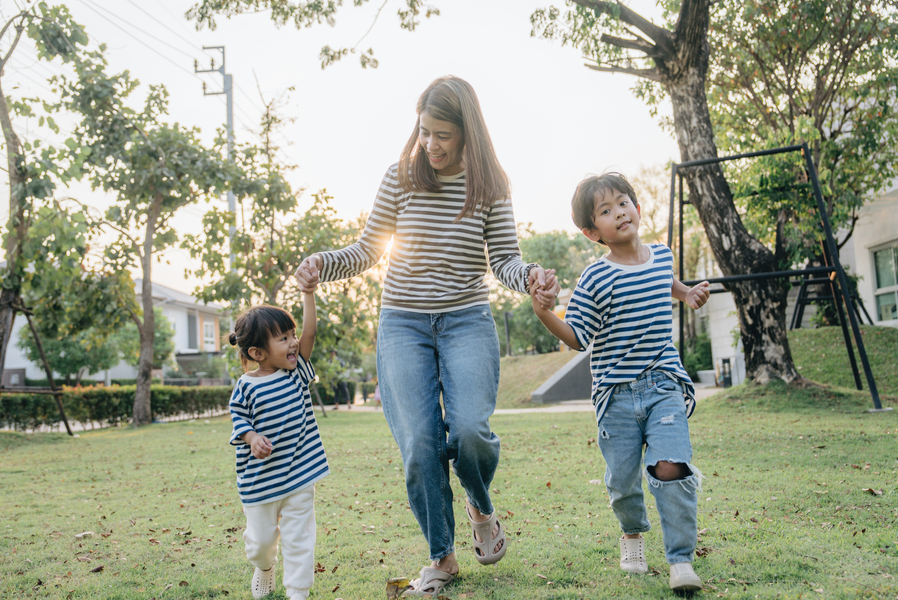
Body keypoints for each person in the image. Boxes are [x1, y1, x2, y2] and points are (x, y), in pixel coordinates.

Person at [294, 75, 557, 597]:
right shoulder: (400, 177)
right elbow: (370, 250)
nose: (430, 145)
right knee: (420, 442)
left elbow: (502, 259)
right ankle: (442, 556)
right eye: (424, 132)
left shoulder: (489, 184)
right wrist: (324, 263)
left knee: (469, 431)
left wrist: (527, 277)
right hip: (403, 322)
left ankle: (480, 505)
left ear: (467, 133)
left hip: (465, 320)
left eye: (442, 134)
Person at [530, 173, 710, 592]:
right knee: (623, 482)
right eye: (605, 211)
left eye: (623, 203)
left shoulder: (662, 255)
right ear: (593, 232)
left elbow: (666, 282)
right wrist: (544, 314)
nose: (619, 213)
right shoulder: (595, 278)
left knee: (670, 467)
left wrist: (686, 294)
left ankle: (680, 559)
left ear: (638, 207)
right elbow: (577, 337)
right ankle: (632, 535)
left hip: (664, 382)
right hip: (615, 396)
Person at [227, 293, 329, 600]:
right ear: (257, 352)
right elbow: (239, 420)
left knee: (300, 540)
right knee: (259, 545)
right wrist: (252, 438)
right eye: (283, 338)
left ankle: (297, 592)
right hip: (260, 483)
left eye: (292, 335)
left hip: (299, 476)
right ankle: (265, 567)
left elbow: (310, 331)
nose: (293, 343)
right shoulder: (246, 385)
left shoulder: (295, 373)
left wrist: (308, 293)